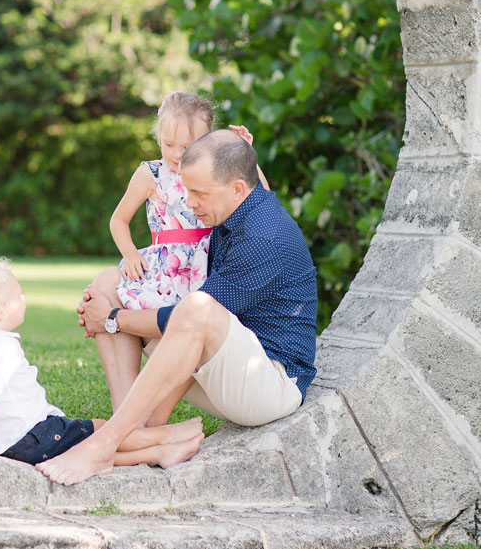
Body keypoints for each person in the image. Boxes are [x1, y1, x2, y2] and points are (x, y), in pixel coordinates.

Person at [37, 130, 317, 486]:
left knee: (198, 307)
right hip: (223, 365)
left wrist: (110, 320)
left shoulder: (265, 236)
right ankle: (140, 432)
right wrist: (110, 310)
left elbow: (185, 318)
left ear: (236, 189)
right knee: (109, 283)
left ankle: (105, 445)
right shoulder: (238, 207)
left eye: (199, 193)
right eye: (187, 190)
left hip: (270, 384)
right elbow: (249, 173)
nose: (190, 202)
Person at [0, 258, 203, 468]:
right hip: (35, 433)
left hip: (10, 448)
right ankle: (166, 436)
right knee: (103, 430)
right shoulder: (2, 347)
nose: (24, 299)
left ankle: (160, 453)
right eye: (18, 296)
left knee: (75, 451)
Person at [111, 90, 266, 311]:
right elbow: (119, 220)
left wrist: (247, 156)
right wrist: (130, 253)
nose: (176, 154)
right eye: (168, 144)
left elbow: (262, 197)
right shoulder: (152, 174)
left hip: (214, 261)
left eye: (187, 147)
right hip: (168, 271)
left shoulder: (220, 171)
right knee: (162, 320)